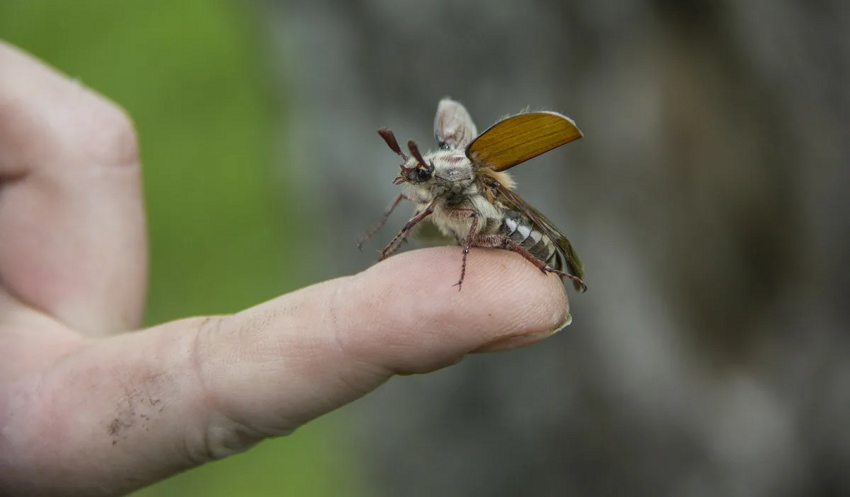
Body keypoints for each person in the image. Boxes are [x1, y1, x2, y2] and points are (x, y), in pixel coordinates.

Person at [0, 41, 570, 496]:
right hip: (470, 222)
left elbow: (474, 207)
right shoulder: (427, 192)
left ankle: (557, 265)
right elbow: (414, 202)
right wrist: (388, 234)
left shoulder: (467, 175)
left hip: (498, 224)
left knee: (510, 235)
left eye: (418, 175)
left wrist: (477, 249)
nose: (410, 182)